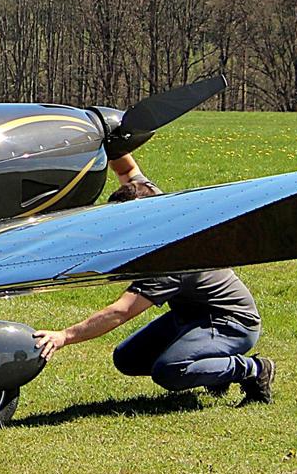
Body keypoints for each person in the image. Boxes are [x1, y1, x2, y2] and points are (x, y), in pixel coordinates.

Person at [30, 163, 275, 404]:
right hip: (190, 318)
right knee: (128, 358)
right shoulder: (153, 202)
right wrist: (110, 144)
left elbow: (121, 311)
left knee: (171, 370)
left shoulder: (169, 260)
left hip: (232, 324)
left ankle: (253, 369)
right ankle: (213, 367)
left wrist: (64, 336)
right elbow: (126, 170)